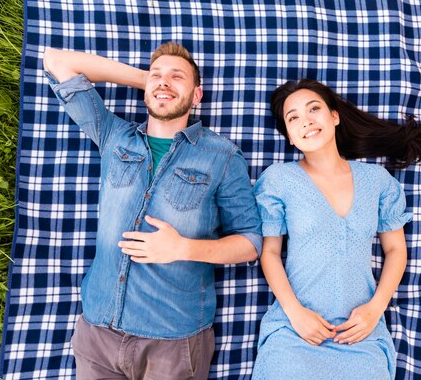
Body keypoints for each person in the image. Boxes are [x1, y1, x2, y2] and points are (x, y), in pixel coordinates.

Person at [43, 42, 262, 380]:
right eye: (157, 76)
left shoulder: (223, 157)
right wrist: (150, 80)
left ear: (197, 95)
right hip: (98, 330)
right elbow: (57, 61)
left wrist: (182, 248)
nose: (164, 82)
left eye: (178, 77)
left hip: (173, 341)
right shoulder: (114, 135)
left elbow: (250, 241)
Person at [252, 79, 421, 379]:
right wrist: (295, 313)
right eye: (294, 118)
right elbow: (270, 253)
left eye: (313, 109)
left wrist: (375, 309)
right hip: (295, 331)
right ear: (289, 136)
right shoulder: (278, 179)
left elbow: (395, 250)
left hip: (360, 332)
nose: (306, 121)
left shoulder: (377, 180)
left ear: (334, 116)